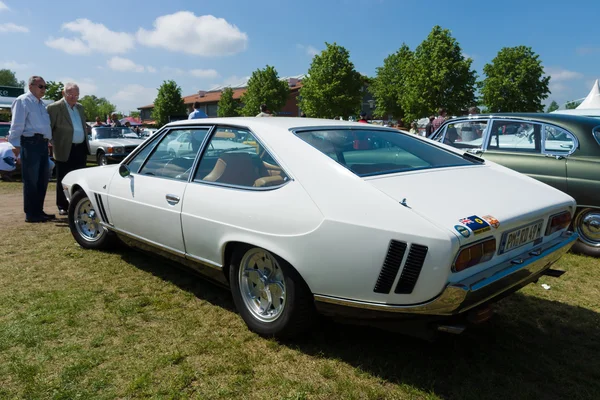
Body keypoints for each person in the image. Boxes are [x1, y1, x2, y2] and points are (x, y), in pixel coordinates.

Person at [7, 75, 54, 223]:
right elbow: (17, 124)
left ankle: (38, 211)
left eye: (45, 87)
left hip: (42, 143)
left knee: (42, 179)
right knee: (31, 179)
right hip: (30, 142)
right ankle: (31, 213)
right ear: (31, 86)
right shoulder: (23, 101)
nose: (44, 90)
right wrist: (15, 144)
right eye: (41, 87)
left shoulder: (41, 104)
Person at [48, 82, 91, 216]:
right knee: (63, 178)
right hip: (64, 148)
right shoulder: (54, 108)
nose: (73, 97)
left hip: (81, 148)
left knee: (80, 179)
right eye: (70, 94)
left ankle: (78, 203)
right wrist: (54, 143)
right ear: (63, 93)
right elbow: (49, 129)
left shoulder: (80, 108)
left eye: (76, 95)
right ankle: (62, 206)